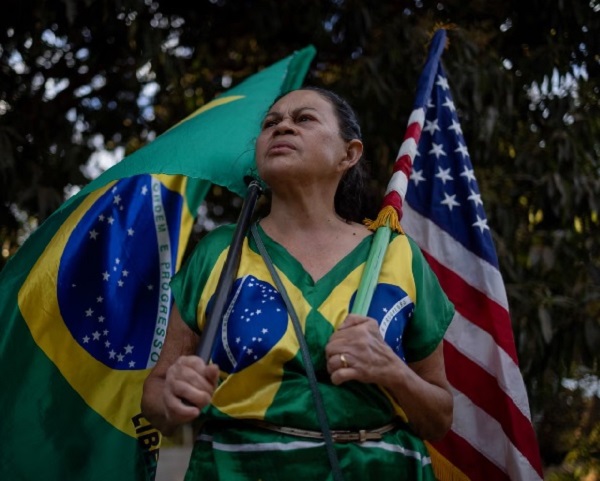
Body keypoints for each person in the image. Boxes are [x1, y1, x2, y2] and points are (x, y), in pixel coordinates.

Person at [141, 86, 455, 480]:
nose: (282, 127)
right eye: (270, 123)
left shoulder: (397, 254)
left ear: (349, 154)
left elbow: (439, 418)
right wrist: (172, 398)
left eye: (303, 119)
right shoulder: (220, 251)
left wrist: (392, 370)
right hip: (235, 470)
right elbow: (156, 392)